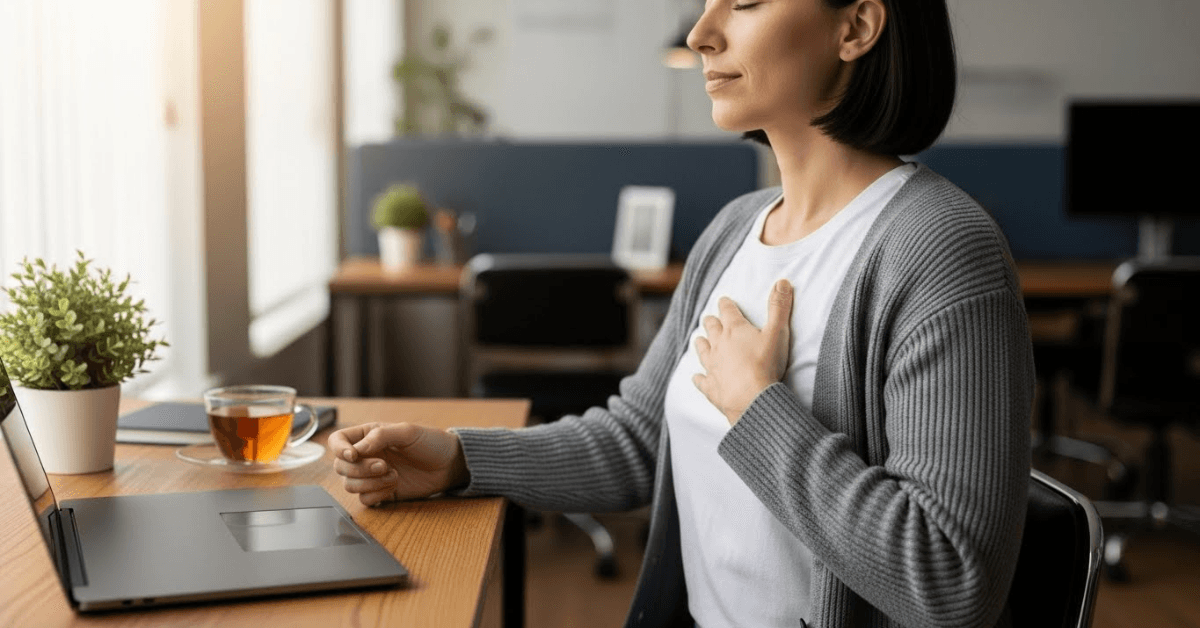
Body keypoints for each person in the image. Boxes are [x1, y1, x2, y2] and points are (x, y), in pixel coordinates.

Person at [330, 0, 1034, 626]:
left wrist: (756, 406)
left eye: (745, 2)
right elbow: (637, 439)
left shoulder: (940, 248)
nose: (702, 32)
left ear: (855, 27)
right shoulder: (736, 228)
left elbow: (951, 583)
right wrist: (457, 459)